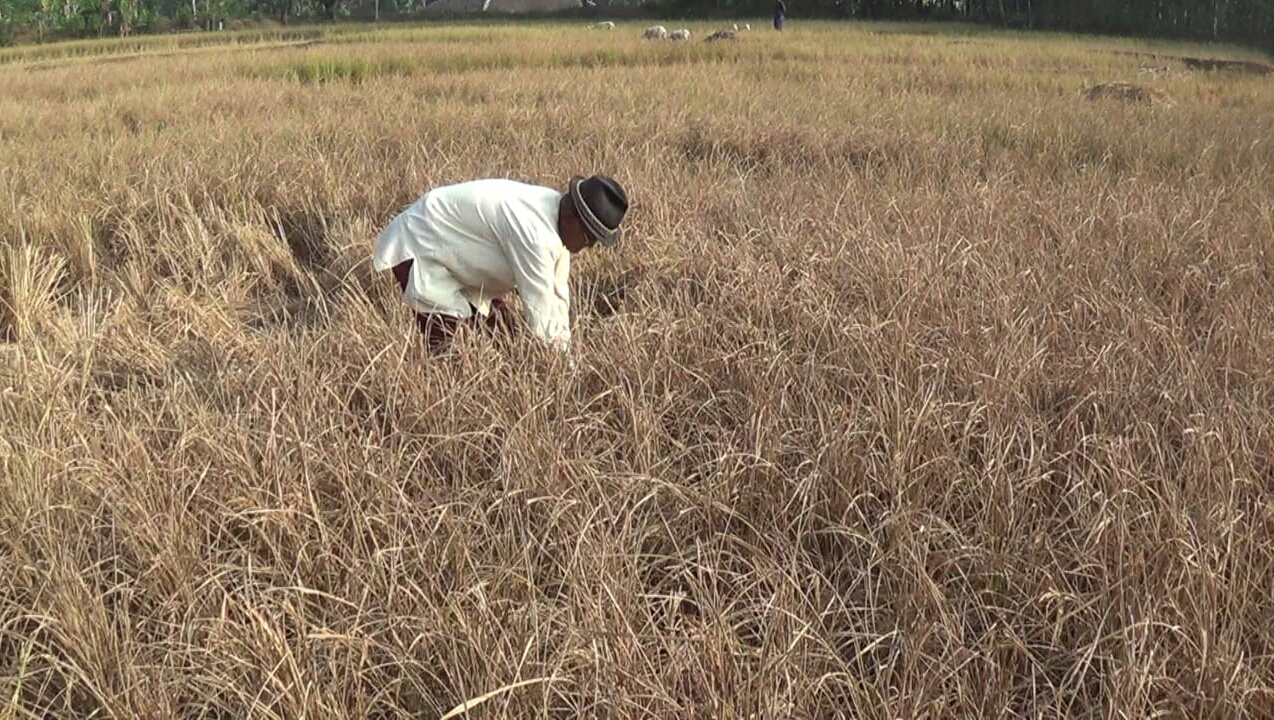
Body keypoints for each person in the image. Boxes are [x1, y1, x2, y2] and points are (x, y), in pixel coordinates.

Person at [371, 174, 629, 356]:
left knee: (506, 336)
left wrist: (567, 357)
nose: (589, 247)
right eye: (589, 238)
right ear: (573, 217)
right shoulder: (534, 233)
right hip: (423, 244)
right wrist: (562, 376)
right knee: (444, 349)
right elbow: (540, 312)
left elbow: (558, 296)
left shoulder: (558, 218)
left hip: (462, 258)